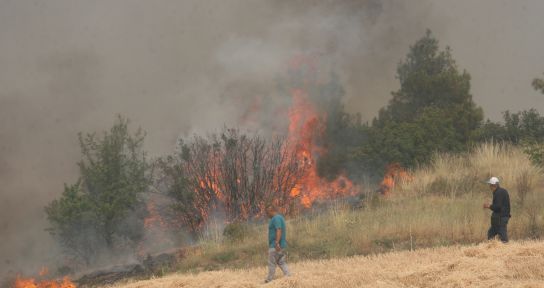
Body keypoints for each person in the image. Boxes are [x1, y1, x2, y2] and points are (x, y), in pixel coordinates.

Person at [264, 204, 290, 283]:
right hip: (282, 245)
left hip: (275, 246)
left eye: (267, 213)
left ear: (272, 211)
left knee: (271, 263)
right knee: (281, 262)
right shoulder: (281, 218)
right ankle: (288, 276)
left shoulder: (276, 218)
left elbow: (278, 229)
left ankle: (269, 280)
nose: (267, 215)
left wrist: (276, 243)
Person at [483, 176, 511, 243]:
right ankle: (492, 247)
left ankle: (506, 249)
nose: (489, 186)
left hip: (501, 218)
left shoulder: (498, 193)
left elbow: (498, 207)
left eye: (490, 185)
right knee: (491, 233)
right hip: (499, 218)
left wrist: (489, 206)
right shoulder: (501, 191)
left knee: (503, 236)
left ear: (493, 185)